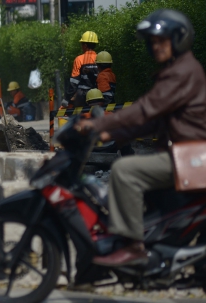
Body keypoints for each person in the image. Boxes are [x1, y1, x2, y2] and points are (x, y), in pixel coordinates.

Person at [77, 9, 206, 267]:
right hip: (183, 153)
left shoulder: (181, 72)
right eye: (153, 42)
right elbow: (156, 121)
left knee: (124, 171)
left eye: (162, 41)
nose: (156, 47)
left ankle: (133, 246)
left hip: (190, 157)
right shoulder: (179, 69)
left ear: (179, 39)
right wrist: (117, 134)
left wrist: (99, 123)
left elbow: (146, 108)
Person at [63, 31, 99, 108]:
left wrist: (67, 98)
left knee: (76, 115)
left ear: (85, 45)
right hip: (98, 95)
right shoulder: (100, 58)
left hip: (83, 96)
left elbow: (74, 82)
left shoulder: (79, 59)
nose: (81, 46)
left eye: (82, 44)